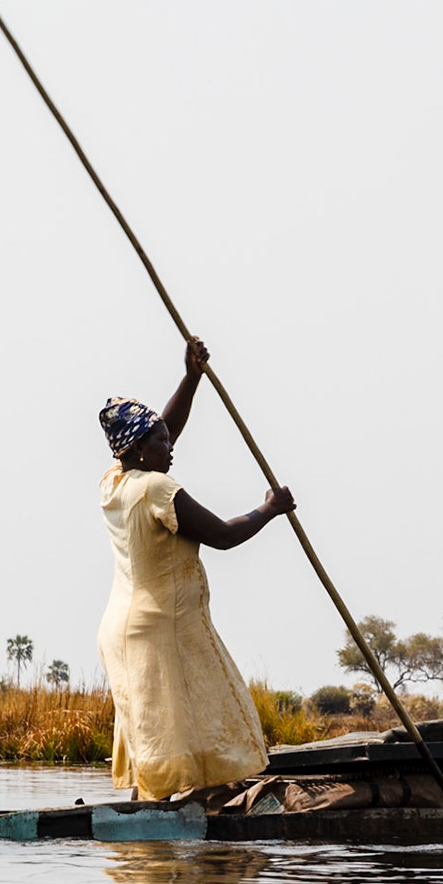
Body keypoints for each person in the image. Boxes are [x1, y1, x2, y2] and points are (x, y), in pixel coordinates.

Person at [97, 337, 296, 801]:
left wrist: (191, 378)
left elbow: (164, 425)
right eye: (160, 441)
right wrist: (271, 509)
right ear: (140, 450)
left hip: (124, 628)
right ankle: (178, 815)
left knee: (159, 734)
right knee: (188, 725)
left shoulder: (114, 482)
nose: (170, 446)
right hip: (161, 627)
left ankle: (153, 813)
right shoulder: (157, 489)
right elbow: (224, 536)